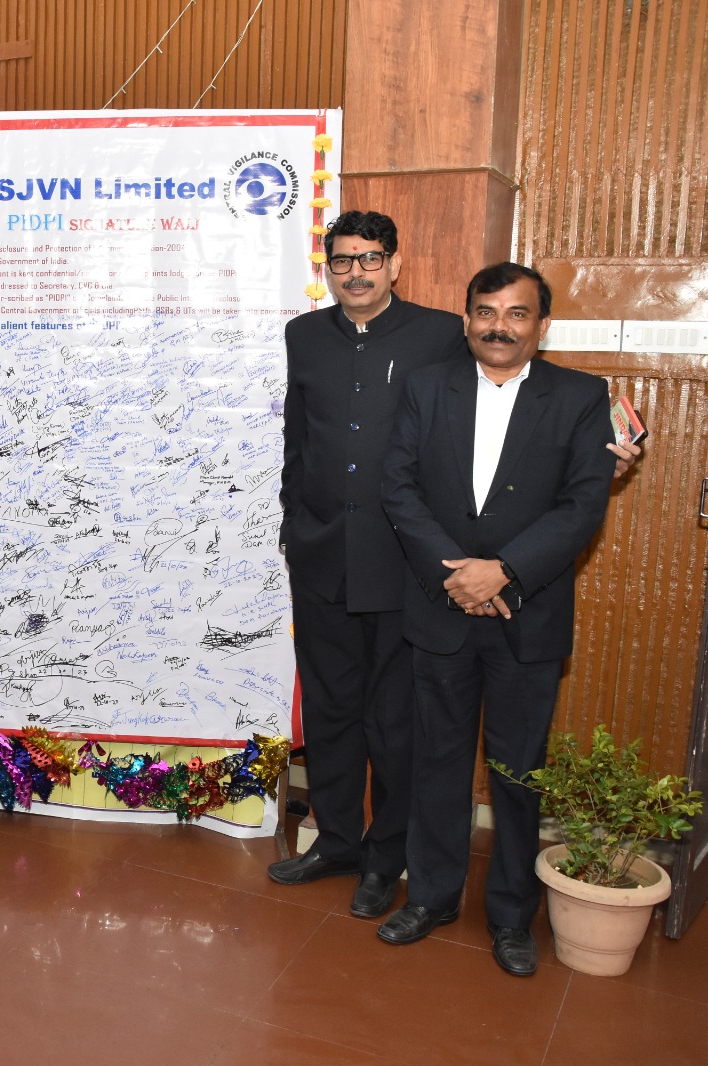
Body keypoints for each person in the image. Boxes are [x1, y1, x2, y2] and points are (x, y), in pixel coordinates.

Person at [271, 212, 636, 920]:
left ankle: (385, 858)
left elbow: (535, 431)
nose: (356, 272)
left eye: (371, 258)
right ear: (328, 268)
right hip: (322, 558)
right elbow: (298, 435)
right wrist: (295, 521)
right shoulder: (303, 335)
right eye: (343, 260)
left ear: (395, 264)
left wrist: (611, 462)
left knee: (398, 727)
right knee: (331, 711)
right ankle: (336, 841)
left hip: (405, 566)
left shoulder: (445, 332)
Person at [377, 262, 615, 976]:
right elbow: (398, 486)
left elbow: (583, 503)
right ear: (467, 319)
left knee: (517, 774)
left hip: (527, 615)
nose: (499, 327)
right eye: (486, 312)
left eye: (516, 313)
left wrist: (503, 570)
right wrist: (456, 575)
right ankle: (432, 897)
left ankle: (512, 915)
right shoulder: (426, 387)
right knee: (438, 763)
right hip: (442, 607)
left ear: (542, 325)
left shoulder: (581, 397)